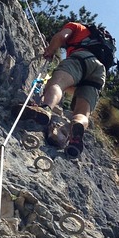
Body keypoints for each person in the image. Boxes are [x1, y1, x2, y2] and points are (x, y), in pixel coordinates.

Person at [19, 21, 110, 158]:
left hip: (82, 58)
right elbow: (73, 87)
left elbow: (61, 37)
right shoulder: (102, 48)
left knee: (56, 84)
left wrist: (50, 50)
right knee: (82, 114)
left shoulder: (77, 26)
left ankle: (45, 108)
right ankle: (73, 133)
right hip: (99, 73)